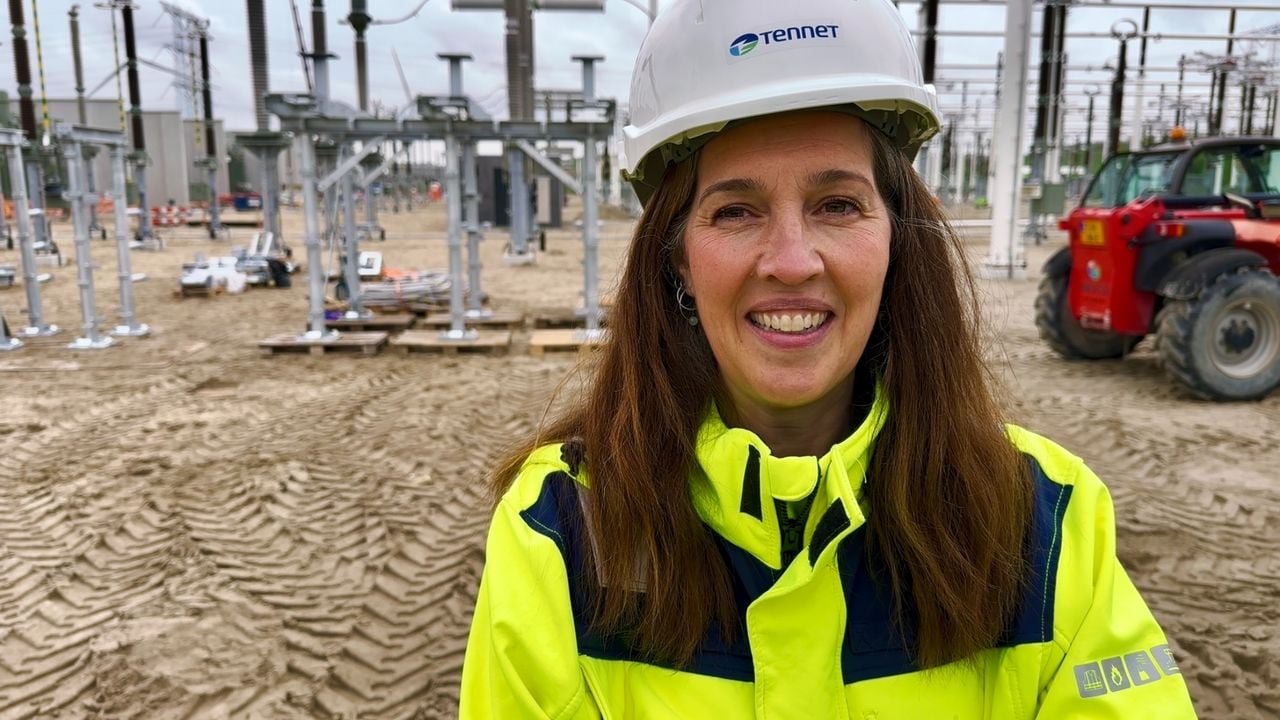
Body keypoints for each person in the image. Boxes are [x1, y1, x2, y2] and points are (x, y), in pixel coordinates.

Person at [460, 0, 1199, 717]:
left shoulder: (1043, 521)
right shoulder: (563, 529)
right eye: (736, 210)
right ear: (678, 257)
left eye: (838, 205)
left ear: (895, 238)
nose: (791, 261)